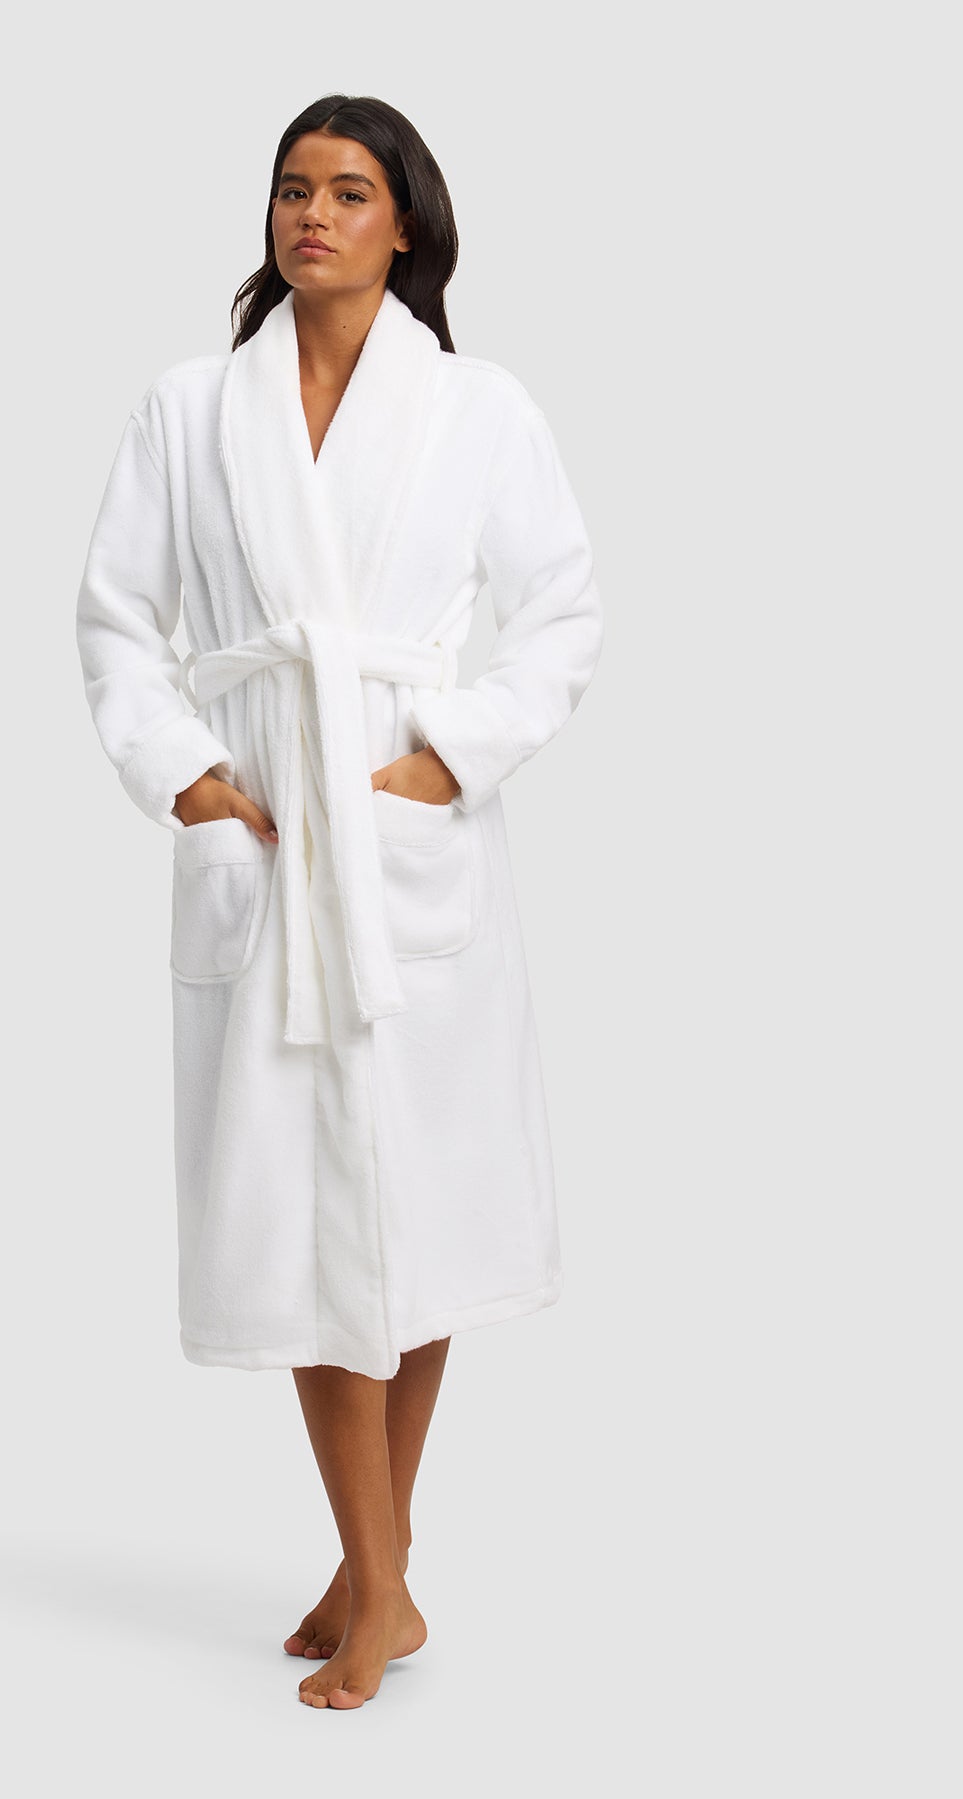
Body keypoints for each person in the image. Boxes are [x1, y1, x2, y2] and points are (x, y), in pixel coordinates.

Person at [74, 93, 604, 1708]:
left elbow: (564, 611)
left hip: (404, 843)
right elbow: (116, 619)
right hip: (269, 843)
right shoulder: (188, 408)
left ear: (405, 223)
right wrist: (192, 779)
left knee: (418, 1218)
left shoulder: (480, 407)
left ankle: (375, 1575)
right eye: (293, 188)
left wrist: (448, 760)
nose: (313, 214)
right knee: (306, 1227)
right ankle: (383, 1581)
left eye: (349, 191)